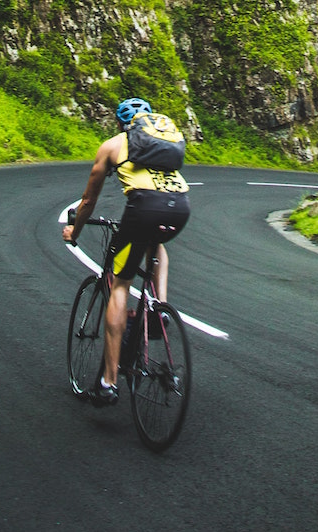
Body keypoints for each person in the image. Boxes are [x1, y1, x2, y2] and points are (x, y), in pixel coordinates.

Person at [63, 98, 190, 406]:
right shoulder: (162, 145)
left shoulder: (112, 145)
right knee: (154, 243)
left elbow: (88, 202)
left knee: (120, 284)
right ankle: (158, 308)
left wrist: (74, 233)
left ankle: (108, 383)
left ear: (121, 124)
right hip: (180, 208)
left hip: (144, 208)